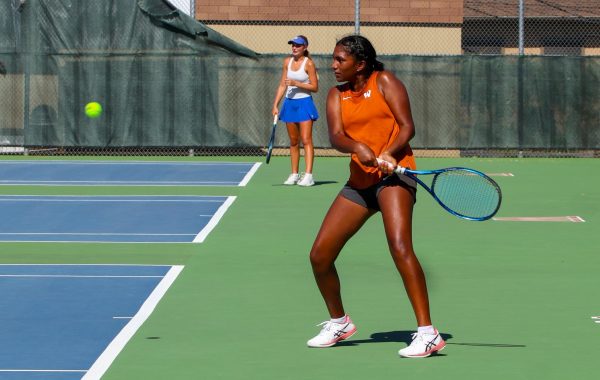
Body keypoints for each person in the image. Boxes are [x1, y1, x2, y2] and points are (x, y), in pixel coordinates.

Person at [306, 35, 445, 358]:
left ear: (361, 63)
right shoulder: (335, 95)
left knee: (399, 247)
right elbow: (337, 137)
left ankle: (428, 333)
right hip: (359, 184)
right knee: (319, 256)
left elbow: (407, 126)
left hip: (395, 179)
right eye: (334, 59)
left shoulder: (385, 82)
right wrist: (359, 148)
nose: (334, 65)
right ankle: (339, 322)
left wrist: (389, 152)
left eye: (341, 60)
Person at [272, 35, 319, 187]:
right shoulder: (287, 61)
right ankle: (294, 174)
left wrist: (296, 83)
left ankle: (309, 175)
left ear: (304, 47)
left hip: (304, 103)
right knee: (293, 141)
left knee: (306, 139)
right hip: (289, 104)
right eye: (293, 44)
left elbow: (315, 87)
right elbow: (282, 85)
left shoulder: (309, 64)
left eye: (298, 45)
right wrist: (275, 105)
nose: (294, 47)